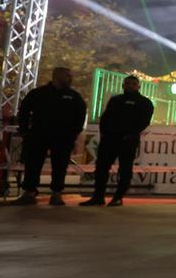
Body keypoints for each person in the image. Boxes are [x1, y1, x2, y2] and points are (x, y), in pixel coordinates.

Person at [13, 67, 86, 206]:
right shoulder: (39, 93)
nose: (70, 78)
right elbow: (24, 110)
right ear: (57, 76)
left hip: (63, 137)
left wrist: (73, 133)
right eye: (67, 75)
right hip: (39, 134)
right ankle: (29, 192)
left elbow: (80, 115)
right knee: (33, 164)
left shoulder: (74, 96)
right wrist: (24, 130)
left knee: (60, 166)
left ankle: (56, 193)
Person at [80, 75, 154, 207]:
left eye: (133, 84)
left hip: (128, 141)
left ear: (138, 86)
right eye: (127, 83)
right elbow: (105, 117)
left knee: (125, 169)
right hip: (109, 139)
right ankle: (98, 196)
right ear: (123, 85)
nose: (130, 86)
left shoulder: (145, 102)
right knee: (101, 167)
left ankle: (118, 197)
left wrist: (130, 135)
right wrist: (103, 133)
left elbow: (144, 122)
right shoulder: (115, 100)